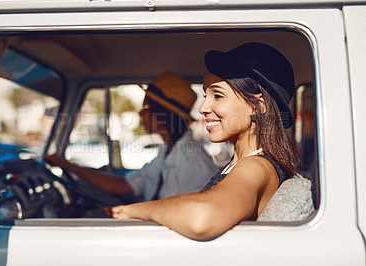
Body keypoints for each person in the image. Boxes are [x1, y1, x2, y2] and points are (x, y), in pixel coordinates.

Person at [110, 42, 299, 240]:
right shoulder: (241, 164)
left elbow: (202, 216)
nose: (202, 108)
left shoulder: (256, 166)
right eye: (205, 95)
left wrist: (129, 211)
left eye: (217, 95)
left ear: (258, 106)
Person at [45, 72, 219, 206]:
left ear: (161, 113)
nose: (140, 113)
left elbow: (191, 212)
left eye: (145, 107)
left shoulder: (193, 162)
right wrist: (69, 166)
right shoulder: (167, 152)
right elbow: (125, 185)